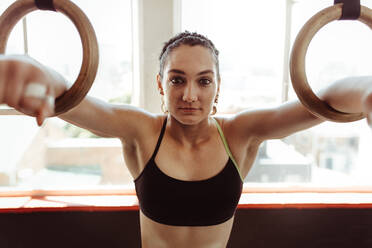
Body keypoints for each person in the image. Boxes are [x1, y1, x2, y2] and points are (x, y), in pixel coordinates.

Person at [1, 31, 372, 247]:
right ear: (161, 84)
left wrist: (366, 90)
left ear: (218, 86)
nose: (190, 95)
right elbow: (73, 99)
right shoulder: (142, 131)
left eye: (204, 80)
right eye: (177, 79)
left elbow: (320, 102)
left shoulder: (239, 135)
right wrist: (35, 71)